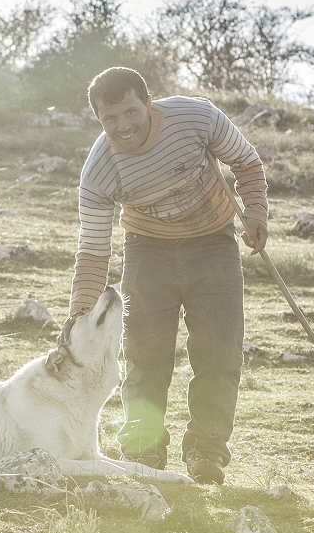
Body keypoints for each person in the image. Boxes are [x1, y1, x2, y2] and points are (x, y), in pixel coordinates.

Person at [58, 66, 268, 485]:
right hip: (147, 254)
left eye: (130, 112)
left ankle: (207, 453)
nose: (123, 126)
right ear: (98, 119)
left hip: (215, 246)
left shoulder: (198, 117)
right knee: (145, 360)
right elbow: (94, 249)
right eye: (110, 119)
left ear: (148, 102)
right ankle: (142, 453)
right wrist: (81, 309)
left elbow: (246, 162)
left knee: (219, 356)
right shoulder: (99, 172)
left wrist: (257, 212)